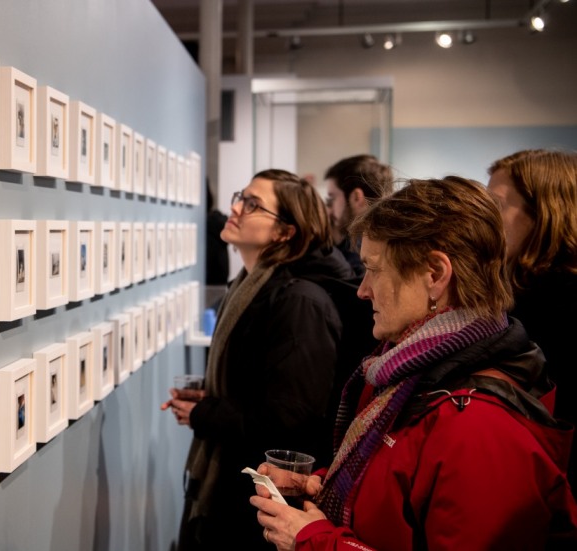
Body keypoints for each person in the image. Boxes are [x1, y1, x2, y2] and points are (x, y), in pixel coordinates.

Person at [249, 176, 577, 550]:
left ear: (435, 274)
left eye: (374, 268)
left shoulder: (480, 427)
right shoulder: (408, 369)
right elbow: (400, 492)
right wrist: (324, 484)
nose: (362, 289)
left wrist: (313, 540)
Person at [162, 169, 354, 550]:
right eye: (241, 197)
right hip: (235, 486)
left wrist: (205, 414)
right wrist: (210, 400)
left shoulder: (300, 302)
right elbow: (256, 387)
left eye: (252, 204)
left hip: (257, 502)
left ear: (285, 232)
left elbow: (290, 416)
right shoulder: (249, 288)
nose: (236, 208)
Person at [487, 148, 577, 494]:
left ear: (545, 213)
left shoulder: (559, 308)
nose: (485, 220)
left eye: (496, 206)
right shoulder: (516, 294)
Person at [323, 154, 393, 277]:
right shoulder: (392, 242)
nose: (329, 210)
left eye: (332, 198)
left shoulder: (358, 254)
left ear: (356, 197)